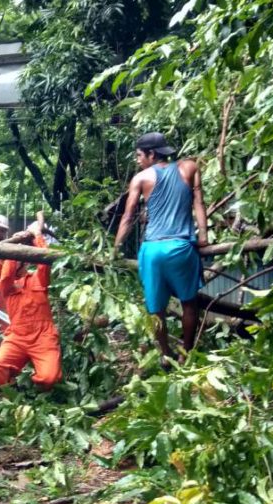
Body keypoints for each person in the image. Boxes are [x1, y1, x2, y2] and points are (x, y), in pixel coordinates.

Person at [114, 132, 208, 364]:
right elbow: (199, 202)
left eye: (139, 155)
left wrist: (115, 249)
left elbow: (127, 216)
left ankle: (166, 354)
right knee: (189, 303)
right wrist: (203, 236)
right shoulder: (189, 168)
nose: (137, 160)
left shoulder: (140, 179)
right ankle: (186, 353)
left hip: (153, 250)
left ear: (151, 154)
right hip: (181, 248)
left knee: (156, 309)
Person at [0, 221, 62, 390]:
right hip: (17, 337)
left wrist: (37, 235)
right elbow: (7, 275)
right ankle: (13, 393)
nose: (19, 263)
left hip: (43, 336)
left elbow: (45, 261)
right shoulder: (6, 286)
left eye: (22, 259)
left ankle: (39, 391)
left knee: (50, 377)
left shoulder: (38, 279)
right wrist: (15, 247)